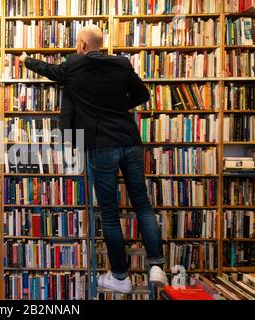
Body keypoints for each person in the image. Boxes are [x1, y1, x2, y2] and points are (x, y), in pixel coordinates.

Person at [18, 25, 168, 294]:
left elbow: (49, 70)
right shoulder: (121, 64)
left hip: (101, 145)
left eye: (78, 43)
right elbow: (143, 95)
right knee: (143, 204)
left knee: (110, 214)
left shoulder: (75, 65)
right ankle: (157, 264)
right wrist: (118, 107)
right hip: (130, 141)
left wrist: (25, 59)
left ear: (83, 45)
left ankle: (120, 277)